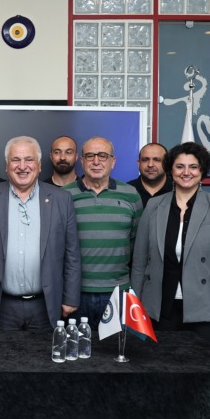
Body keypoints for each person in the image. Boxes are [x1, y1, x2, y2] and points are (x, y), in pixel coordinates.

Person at [130, 141, 210, 347]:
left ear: (202, 171)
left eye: (193, 167)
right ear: (171, 170)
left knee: (203, 365)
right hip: (160, 306)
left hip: (207, 306)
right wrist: (134, 306)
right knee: (161, 364)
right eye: (180, 166)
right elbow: (139, 261)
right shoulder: (154, 206)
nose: (186, 172)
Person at [0, 136, 81, 331]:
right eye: (15, 160)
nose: (22, 166)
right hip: (1, 306)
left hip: (46, 305)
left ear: (39, 165)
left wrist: (71, 298)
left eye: (29, 160)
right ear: (6, 166)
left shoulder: (62, 199)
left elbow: (72, 254)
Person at [66, 137, 143, 327]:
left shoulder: (131, 194)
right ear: (81, 161)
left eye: (102, 156)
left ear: (113, 161)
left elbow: (137, 244)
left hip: (118, 293)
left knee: (116, 346)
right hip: (76, 294)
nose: (96, 161)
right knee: (78, 345)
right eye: (90, 156)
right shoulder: (65, 195)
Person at [127, 142, 173, 208]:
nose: (150, 165)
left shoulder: (178, 190)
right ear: (139, 164)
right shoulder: (126, 190)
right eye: (145, 160)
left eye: (157, 160)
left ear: (166, 163)